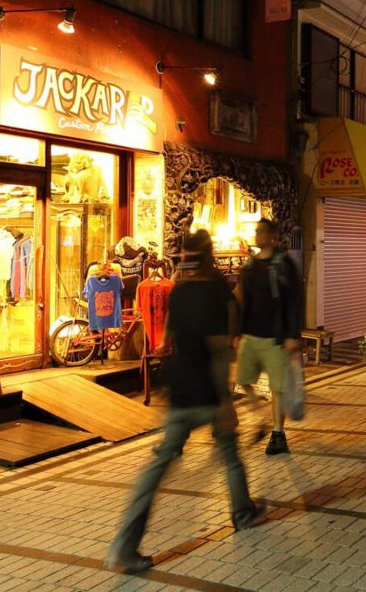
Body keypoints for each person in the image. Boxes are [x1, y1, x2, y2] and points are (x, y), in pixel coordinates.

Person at [106, 231, 266, 574]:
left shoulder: (178, 292)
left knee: (160, 465)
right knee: (229, 453)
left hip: (179, 390)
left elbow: (166, 341)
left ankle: (125, 544)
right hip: (207, 392)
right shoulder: (217, 293)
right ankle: (241, 513)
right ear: (210, 257)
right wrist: (226, 401)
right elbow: (219, 350)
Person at [235, 218, 303, 455]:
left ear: (272, 236)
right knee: (243, 380)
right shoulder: (250, 265)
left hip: (275, 337)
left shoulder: (284, 264)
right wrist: (239, 332)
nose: (257, 235)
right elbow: (245, 299)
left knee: (278, 387)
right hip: (251, 335)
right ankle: (260, 421)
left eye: (261, 231)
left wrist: (292, 334)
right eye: (256, 231)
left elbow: (294, 300)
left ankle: (278, 433)